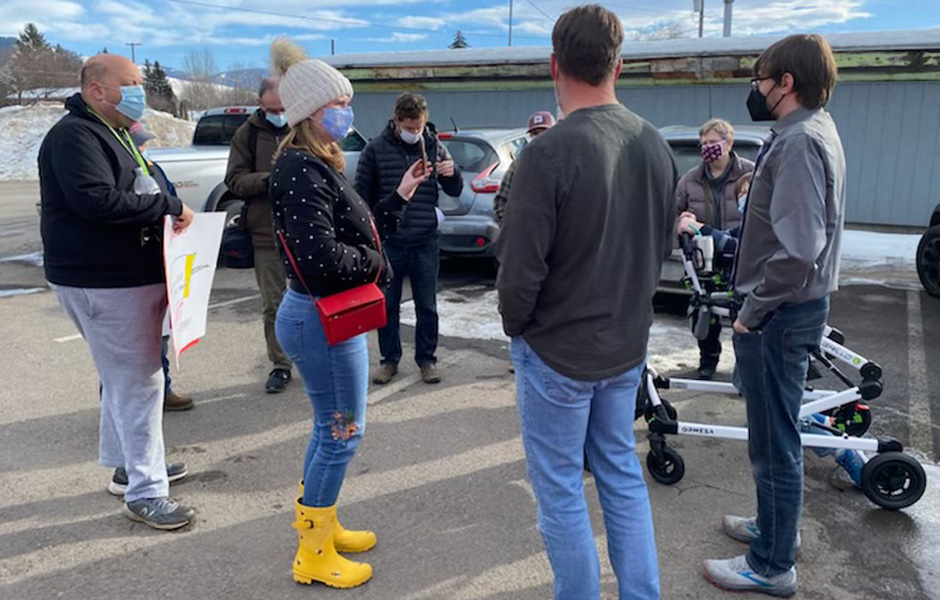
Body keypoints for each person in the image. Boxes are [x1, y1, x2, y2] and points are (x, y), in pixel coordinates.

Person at [497, 5, 676, 598]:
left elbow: (519, 272)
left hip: (559, 353)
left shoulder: (546, 154)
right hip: (623, 347)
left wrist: (518, 330)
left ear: (554, 65)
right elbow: (657, 247)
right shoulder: (655, 144)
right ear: (617, 65)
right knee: (622, 477)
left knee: (561, 491)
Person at [267, 38, 430, 589]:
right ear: (313, 111)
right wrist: (376, 261)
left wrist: (401, 197)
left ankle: (322, 523)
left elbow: (357, 230)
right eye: (341, 103)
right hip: (319, 316)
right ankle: (312, 553)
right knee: (342, 433)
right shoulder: (298, 168)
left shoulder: (316, 162)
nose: (348, 112)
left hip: (323, 315)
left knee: (329, 429)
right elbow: (322, 260)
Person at [702, 34, 846, 597]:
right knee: (771, 437)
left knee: (775, 441)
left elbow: (799, 247)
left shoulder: (800, 142)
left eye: (761, 79)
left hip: (779, 314)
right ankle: (774, 530)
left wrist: (752, 313)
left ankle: (771, 565)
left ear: (786, 83)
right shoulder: (806, 132)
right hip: (787, 310)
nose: (755, 90)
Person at [39, 53, 196, 529]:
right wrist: (167, 206)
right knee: (138, 382)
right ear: (96, 90)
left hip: (119, 276)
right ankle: (146, 492)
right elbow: (97, 201)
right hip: (102, 279)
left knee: (122, 379)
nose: (139, 91)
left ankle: (130, 469)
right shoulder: (75, 135)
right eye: (129, 84)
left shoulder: (114, 131)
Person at [354, 92, 464, 385]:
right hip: (390, 242)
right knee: (387, 305)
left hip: (425, 240)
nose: (415, 133)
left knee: (426, 305)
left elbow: (454, 189)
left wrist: (452, 173)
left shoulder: (434, 146)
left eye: (419, 127)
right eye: (410, 127)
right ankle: (389, 360)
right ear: (397, 120)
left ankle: (427, 360)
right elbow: (361, 195)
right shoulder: (375, 150)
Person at [225, 78, 294, 393]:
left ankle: (315, 356)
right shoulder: (247, 134)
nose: (278, 113)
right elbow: (234, 180)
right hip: (266, 233)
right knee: (274, 304)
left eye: (283, 108)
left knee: (315, 299)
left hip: (305, 230)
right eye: (271, 109)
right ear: (260, 105)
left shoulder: (303, 128)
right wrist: (270, 180)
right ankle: (280, 364)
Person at [675, 119, 754, 380]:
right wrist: (680, 223)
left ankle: (744, 369)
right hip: (704, 259)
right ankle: (708, 360)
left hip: (740, 256)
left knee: (741, 315)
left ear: (728, 143)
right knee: (703, 312)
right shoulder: (690, 181)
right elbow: (674, 215)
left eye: (713, 142)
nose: (707, 148)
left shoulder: (749, 175)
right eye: (704, 144)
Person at [129, 121, 194, 412]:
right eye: (138, 141)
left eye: (144, 141)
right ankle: (128, 401)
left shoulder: (152, 166)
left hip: (163, 257)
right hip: (135, 266)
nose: (144, 146)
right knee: (132, 344)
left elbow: (169, 198)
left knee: (161, 333)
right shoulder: (123, 170)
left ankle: (163, 390)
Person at [493, 110, 556, 225]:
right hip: (528, 233)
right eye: (535, 133)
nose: (539, 137)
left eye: (544, 132)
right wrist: (510, 228)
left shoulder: (566, 163)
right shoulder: (519, 165)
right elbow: (501, 201)